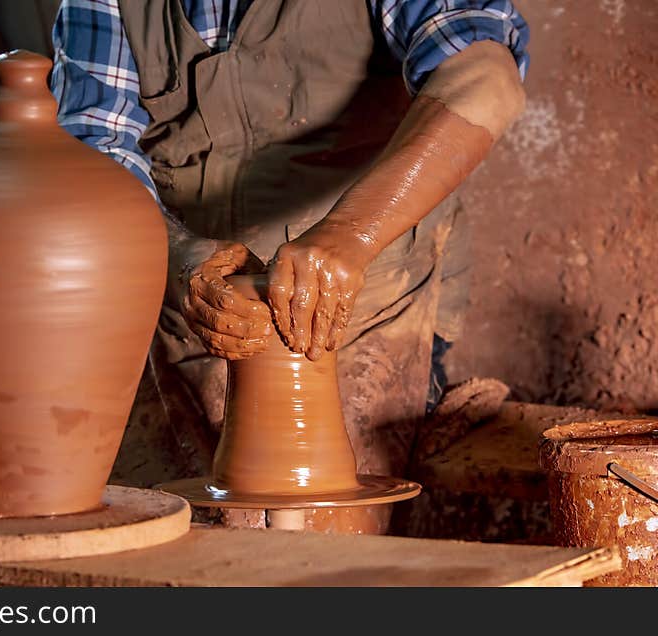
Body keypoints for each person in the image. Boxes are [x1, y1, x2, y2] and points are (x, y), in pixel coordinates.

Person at [50, 0, 529, 532]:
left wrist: (354, 231)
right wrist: (178, 258)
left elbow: (485, 77)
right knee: (175, 543)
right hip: (185, 299)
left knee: (338, 549)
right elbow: (92, 151)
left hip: (368, 302)